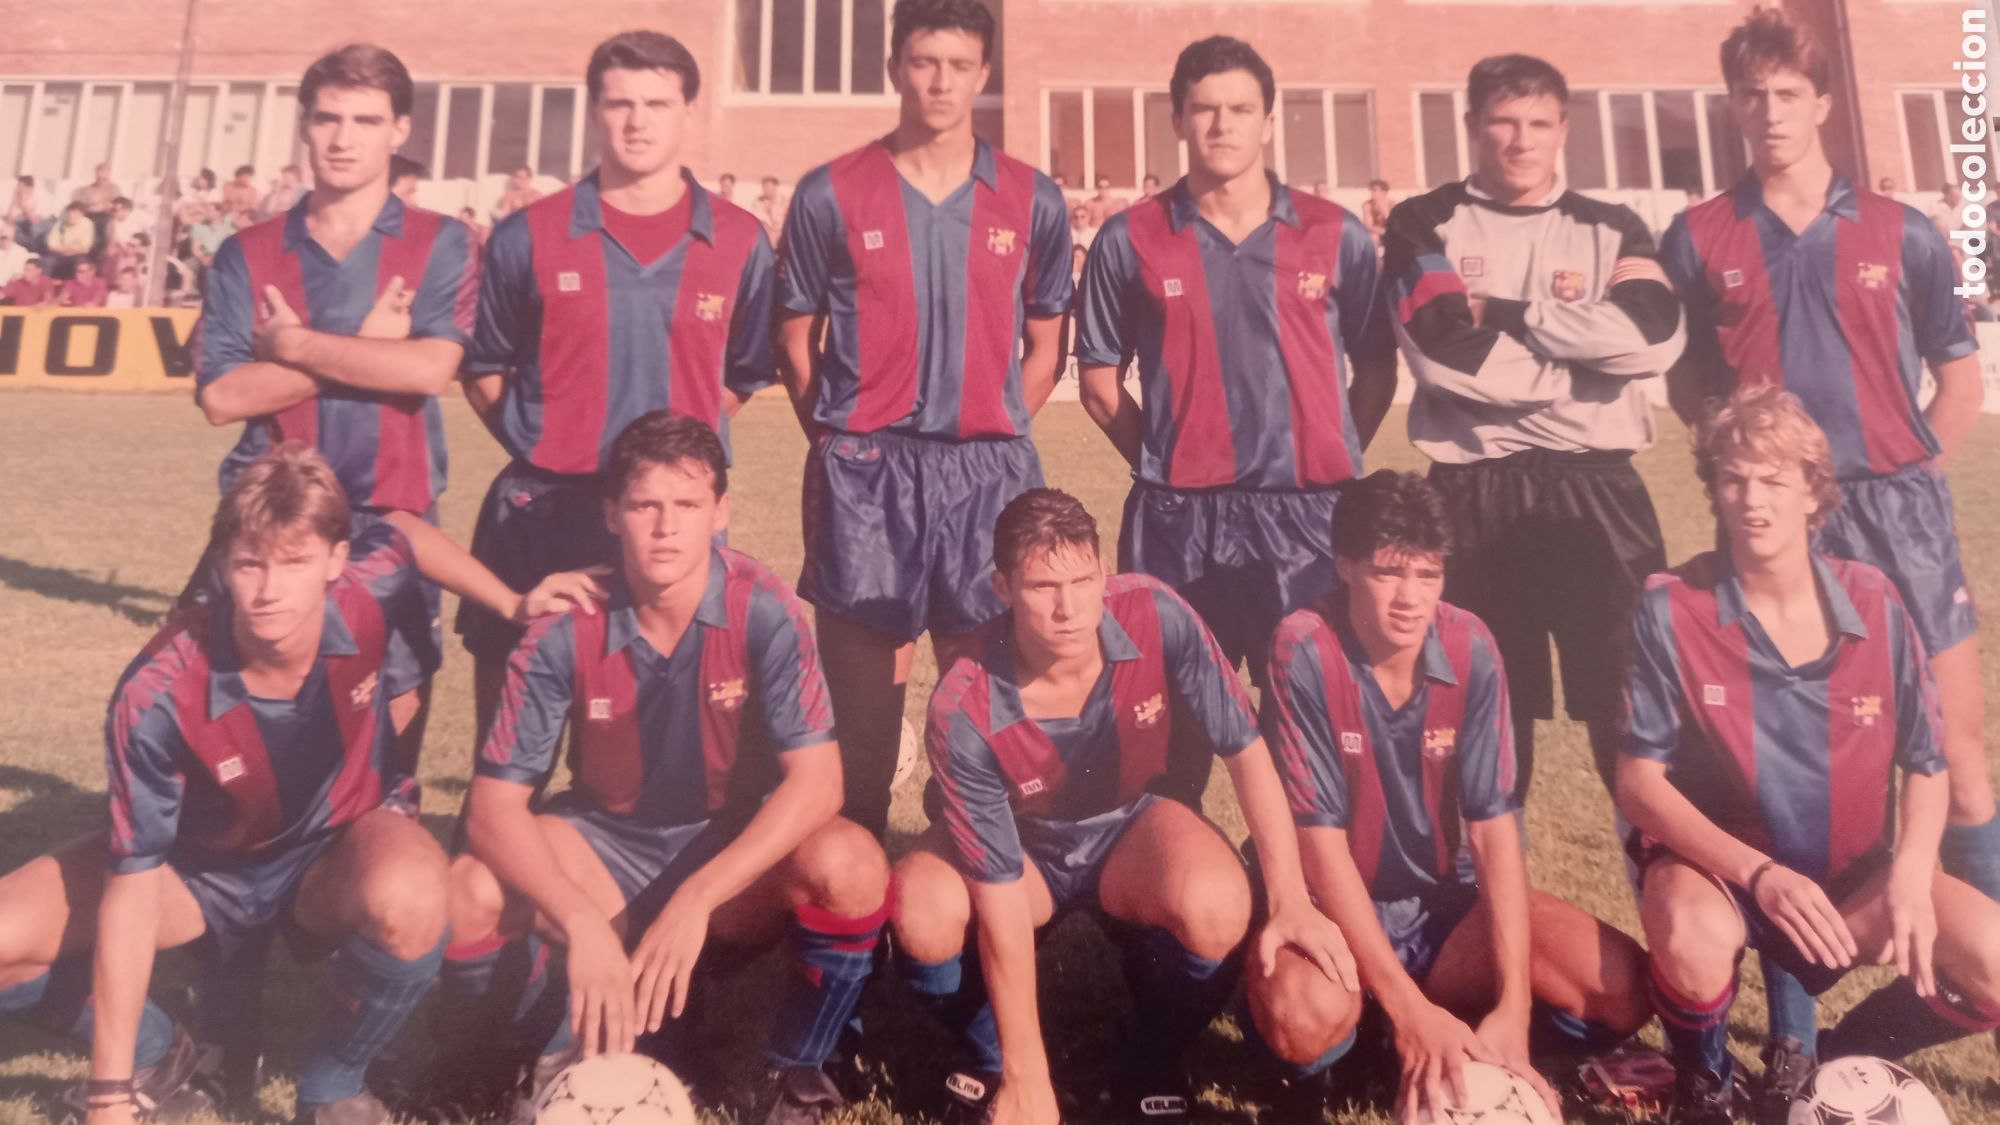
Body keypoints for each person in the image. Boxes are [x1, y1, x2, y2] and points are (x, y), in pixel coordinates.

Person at [0, 443, 598, 1125]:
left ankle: (331, 1089)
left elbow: (404, 533)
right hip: (196, 873)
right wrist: (109, 1093)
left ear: (337, 559)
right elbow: (132, 894)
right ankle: (157, 1051)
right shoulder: (157, 692)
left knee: (414, 892)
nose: (269, 590)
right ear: (222, 564)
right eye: (249, 563)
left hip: (332, 850)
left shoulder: (366, 588)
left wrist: (513, 602)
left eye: (294, 562)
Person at [1659, 13, 1996, 1105]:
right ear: (1733, 106)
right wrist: (1753, 470)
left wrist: (1909, 470)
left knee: (1960, 756)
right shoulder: (1700, 235)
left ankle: (1970, 982)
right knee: (1792, 780)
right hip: (1778, 522)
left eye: (1785, 94)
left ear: (1821, 103)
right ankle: (1795, 1046)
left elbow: (1957, 374)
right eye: (1749, 95)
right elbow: (1686, 382)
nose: (1768, 113)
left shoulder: (1904, 232)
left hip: (1897, 515)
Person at [443, 415, 887, 1125]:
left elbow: (819, 782)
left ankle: (797, 1070)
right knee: (471, 885)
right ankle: (515, 1059)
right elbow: (493, 810)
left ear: (721, 510)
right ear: (611, 513)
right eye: (645, 504)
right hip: (605, 849)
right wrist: (581, 920)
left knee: (853, 863)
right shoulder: (566, 621)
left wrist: (696, 898)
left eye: (687, 504)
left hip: (723, 858)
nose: (666, 527)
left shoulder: (763, 609)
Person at [891, 488, 1357, 1125]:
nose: (1068, 608)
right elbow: (997, 892)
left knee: (1218, 904)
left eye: (1083, 580)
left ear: (1103, 572)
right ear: (1002, 587)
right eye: (1043, 586)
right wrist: (1029, 1075)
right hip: (1019, 843)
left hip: (1129, 824)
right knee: (921, 911)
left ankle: (1145, 1065)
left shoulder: (1155, 611)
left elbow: (1246, 752)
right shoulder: (963, 702)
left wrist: (1290, 899)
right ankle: (994, 1061)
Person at [1618, 385, 2000, 1125]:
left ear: (1813, 492)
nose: (1752, 500)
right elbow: (1638, 783)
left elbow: (1927, 761)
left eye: (1773, 479)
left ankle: (1845, 1052)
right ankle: (1705, 1084)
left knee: (1992, 956)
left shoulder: (1876, 602)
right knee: (1689, 934)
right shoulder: (1672, 606)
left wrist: (1912, 873)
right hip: (1726, 879)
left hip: (1850, 885)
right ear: (1715, 489)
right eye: (1734, 479)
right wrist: (1759, 874)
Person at [1247, 470, 1650, 1122]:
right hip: (1332, 907)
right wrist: (1409, 1010)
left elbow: (1494, 832)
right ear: (1344, 565)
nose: (1411, 597)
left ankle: (1465, 1042)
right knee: (1303, 1012)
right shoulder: (1304, 646)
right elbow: (1320, 849)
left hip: (1441, 908)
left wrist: (1515, 1005)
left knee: (1623, 986)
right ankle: (1363, 1045)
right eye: (1388, 573)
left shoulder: (1471, 646)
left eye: (1428, 574)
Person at [775, 0, 1072, 839]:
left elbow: (1046, 345)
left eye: (959, 64)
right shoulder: (830, 191)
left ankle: (970, 891)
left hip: (988, 477)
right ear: (895, 68)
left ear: (984, 75)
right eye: (923, 62)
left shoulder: (1032, 198)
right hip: (867, 475)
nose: (940, 81)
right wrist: (840, 441)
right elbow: (794, 342)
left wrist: (996, 428)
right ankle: (855, 898)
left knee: (984, 716)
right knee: (864, 734)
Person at [457, 30, 775, 752]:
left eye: (657, 104)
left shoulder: (740, 239)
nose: (637, 121)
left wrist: (675, 460)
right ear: (595, 110)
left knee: (652, 757)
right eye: (620, 104)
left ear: (689, 112)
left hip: (671, 524)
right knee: (509, 756)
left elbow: (742, 374)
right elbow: (483, 368)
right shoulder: (527, 234)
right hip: (543, 512)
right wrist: (541, 438)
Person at [1383, 53, 1684, 802]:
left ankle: (1662, 875)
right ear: (1472, 125)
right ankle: (1488, 879)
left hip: (1599, 491)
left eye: (1539, 123)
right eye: (1504, 122)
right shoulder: (1424, 222)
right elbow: (1448, 360)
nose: (1522, 140)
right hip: (1473, 490)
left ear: (1564, 129)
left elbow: (1652, 342)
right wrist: (1590, 372)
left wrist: (1505, 312)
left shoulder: (1612, 225)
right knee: (1482, 722)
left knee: (1634, 720)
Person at [191, 43, 482, 798]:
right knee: (260, 746)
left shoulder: (442, 241)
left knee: (392, 735)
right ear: (304, 125)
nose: (344, 138)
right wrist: (368, 343)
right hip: (271, 526)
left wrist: (292, 346)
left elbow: (429, 369)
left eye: (366, 120)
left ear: (399, 130)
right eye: (328, 119)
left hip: (393, 521)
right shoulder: (247, 252)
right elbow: (223, 397)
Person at [1074, 36, 1398, 713]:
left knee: (1310, 719)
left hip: (1308, 514)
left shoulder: (1335, 233)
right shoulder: (1129, 237)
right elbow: (1100, 385)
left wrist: (1327, 460)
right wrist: (1170, 466)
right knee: (1173, 723)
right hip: (1178, 519)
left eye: (1242, 109)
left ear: (1270, 121)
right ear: (1177, 119)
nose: (1222, 125)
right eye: (1205, 109)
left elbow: (1375, 369)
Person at [45, 201, 97, 278]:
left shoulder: (87, 224)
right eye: (70, 213)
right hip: (61, 254)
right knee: (47, 261)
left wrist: (67, 250)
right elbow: (51, 245)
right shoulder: (60, 224)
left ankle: (75, 284)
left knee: (79, 261)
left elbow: (86, 248)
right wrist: (68, 250)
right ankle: (46, 284)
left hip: (78, 255)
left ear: (82, 214)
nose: (72, 216)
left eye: (75, 214)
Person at [752, 174, 785, 244]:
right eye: (765, 187)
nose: (767, 190)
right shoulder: (758, 202)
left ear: (775, 187)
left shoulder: (783, 202)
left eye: (769, 187)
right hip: (764, 236)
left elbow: (783, 222)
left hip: (780, 236)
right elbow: (758, 219)